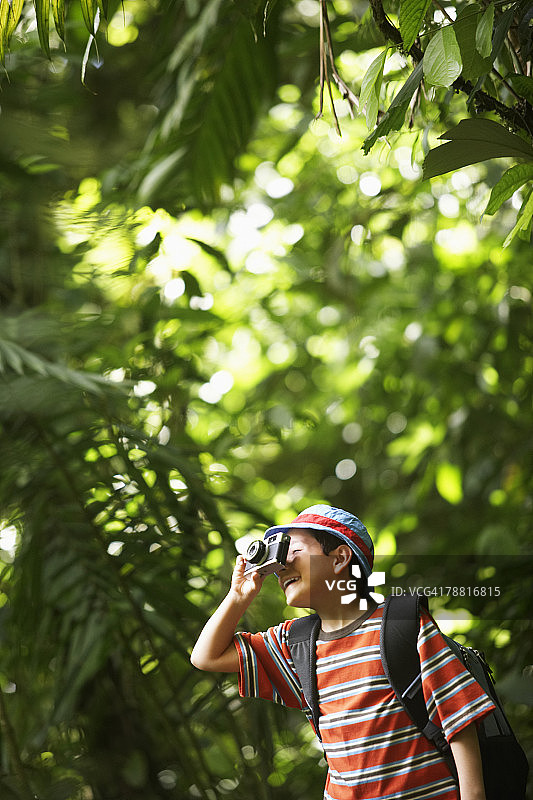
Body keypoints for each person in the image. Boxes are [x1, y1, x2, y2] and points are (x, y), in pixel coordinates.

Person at [190, 504, 495, 800]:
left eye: (292, 551)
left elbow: (459, 716)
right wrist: (238, 596)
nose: (281, 567)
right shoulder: (294, 643)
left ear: (340, 558)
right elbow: (206, 657)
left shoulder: (402, 624)